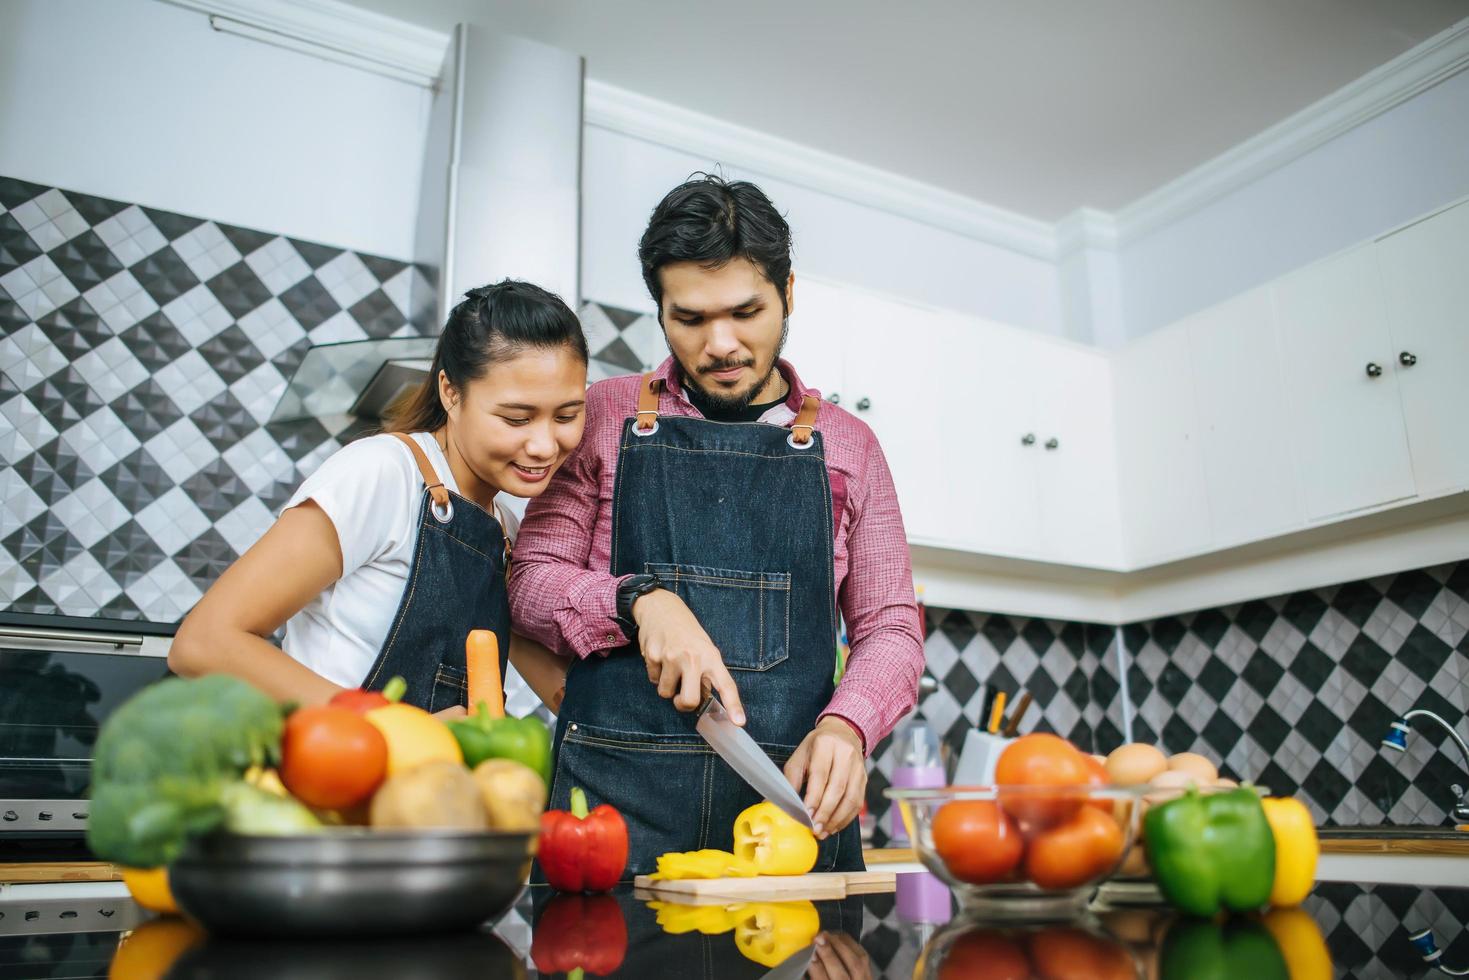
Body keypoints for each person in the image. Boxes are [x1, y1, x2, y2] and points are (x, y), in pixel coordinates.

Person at [509, 176, 925, 873]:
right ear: (661, 310)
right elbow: (527, 584)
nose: (720, 343)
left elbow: (890, 628)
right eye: (691, 318)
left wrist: (847, 728)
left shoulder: (851, 448)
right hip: (612, 812)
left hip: (788, 814)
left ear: (787, 293)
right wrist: (640, 601)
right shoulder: (602, 416)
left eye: (746, 311)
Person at [171, 280, 587, 715]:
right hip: (328, 772)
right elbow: (205, 643)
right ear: (451, 392)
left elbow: (565, 693)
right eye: (516, 418)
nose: (544, 445)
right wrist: (398, 729)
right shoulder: (384, 473)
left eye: (566, 415)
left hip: (427, 782)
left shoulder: (503, 531)